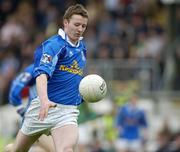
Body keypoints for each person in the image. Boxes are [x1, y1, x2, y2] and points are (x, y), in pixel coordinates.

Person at [11, 4, 89, 152]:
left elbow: (73, 76)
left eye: (84, 26)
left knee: (66, 149)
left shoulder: (82, 48)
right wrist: (44, 100)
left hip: (67, 111)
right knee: (18, 150)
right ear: (66, 22)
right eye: (77, 24)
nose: (80, 29)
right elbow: (41, 75)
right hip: (43, 108)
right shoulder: (53, 45)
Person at [5, 64, 55, 152]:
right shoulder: (35, 68)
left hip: (57, 119)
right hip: (38, 120)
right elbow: (14, 92)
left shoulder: (64, 68)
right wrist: (24, 113)